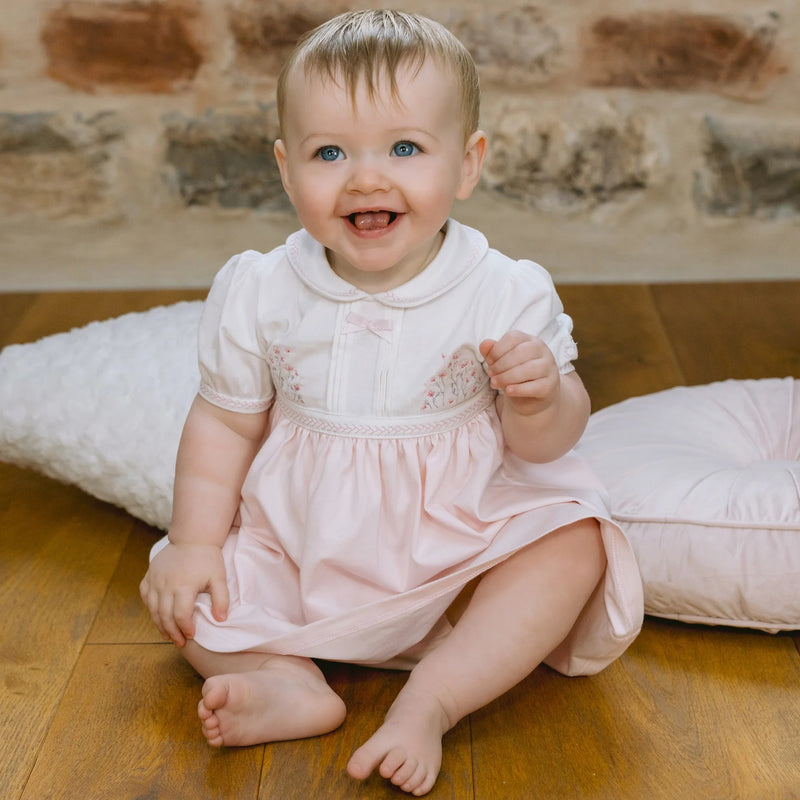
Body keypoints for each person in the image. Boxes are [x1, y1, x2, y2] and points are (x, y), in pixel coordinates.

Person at [140, 9, 643, 797]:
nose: (366, 178)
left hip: (457, 539)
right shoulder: (262, 288)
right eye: (329, 152)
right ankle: (288, 680)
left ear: (468, 164)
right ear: (284, 167)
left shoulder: (504, 290)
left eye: (405, 148)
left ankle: (434, 698)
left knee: (576, 541)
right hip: (302, 540)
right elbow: (226, 420)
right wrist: (194, 544)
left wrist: (543, 395)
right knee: (181, 596)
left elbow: (545, 448)